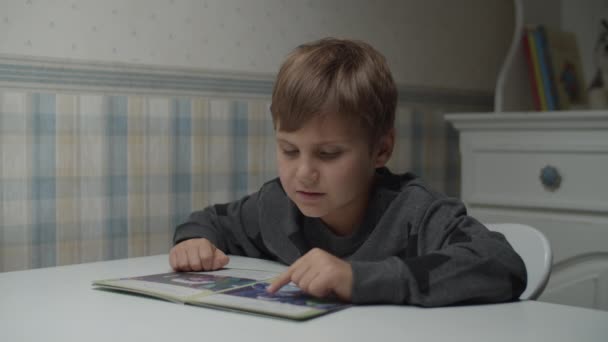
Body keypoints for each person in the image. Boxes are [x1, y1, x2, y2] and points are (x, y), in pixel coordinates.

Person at [169, 38, 527, 307]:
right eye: (289, 150)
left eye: (328, 154)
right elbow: (211, 221)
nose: (303, 173)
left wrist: (358, 278)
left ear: (381, 149)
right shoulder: (275, 205)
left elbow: (503, 264)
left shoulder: (414, 214)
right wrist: (193, 242)